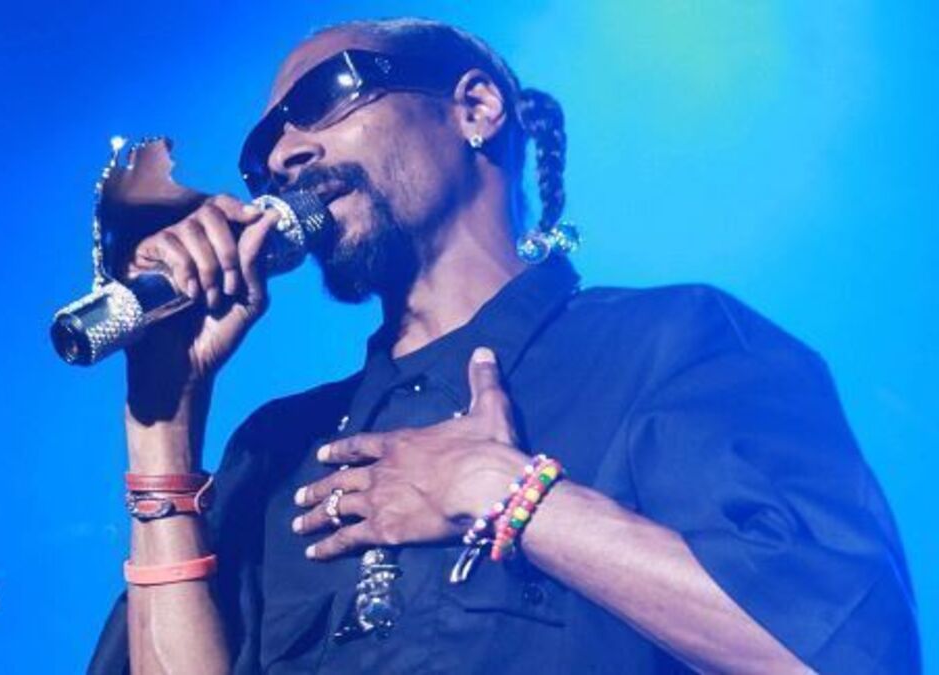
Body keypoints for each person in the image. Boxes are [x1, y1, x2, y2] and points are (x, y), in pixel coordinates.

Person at [87, 18, 919, 674]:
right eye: (261, 153)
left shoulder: (669, 344)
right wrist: (163, 424)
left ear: (476, 108)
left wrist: (508, 494)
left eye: (324, 98)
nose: (282, 154)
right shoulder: (274, 448)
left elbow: (840, 650)